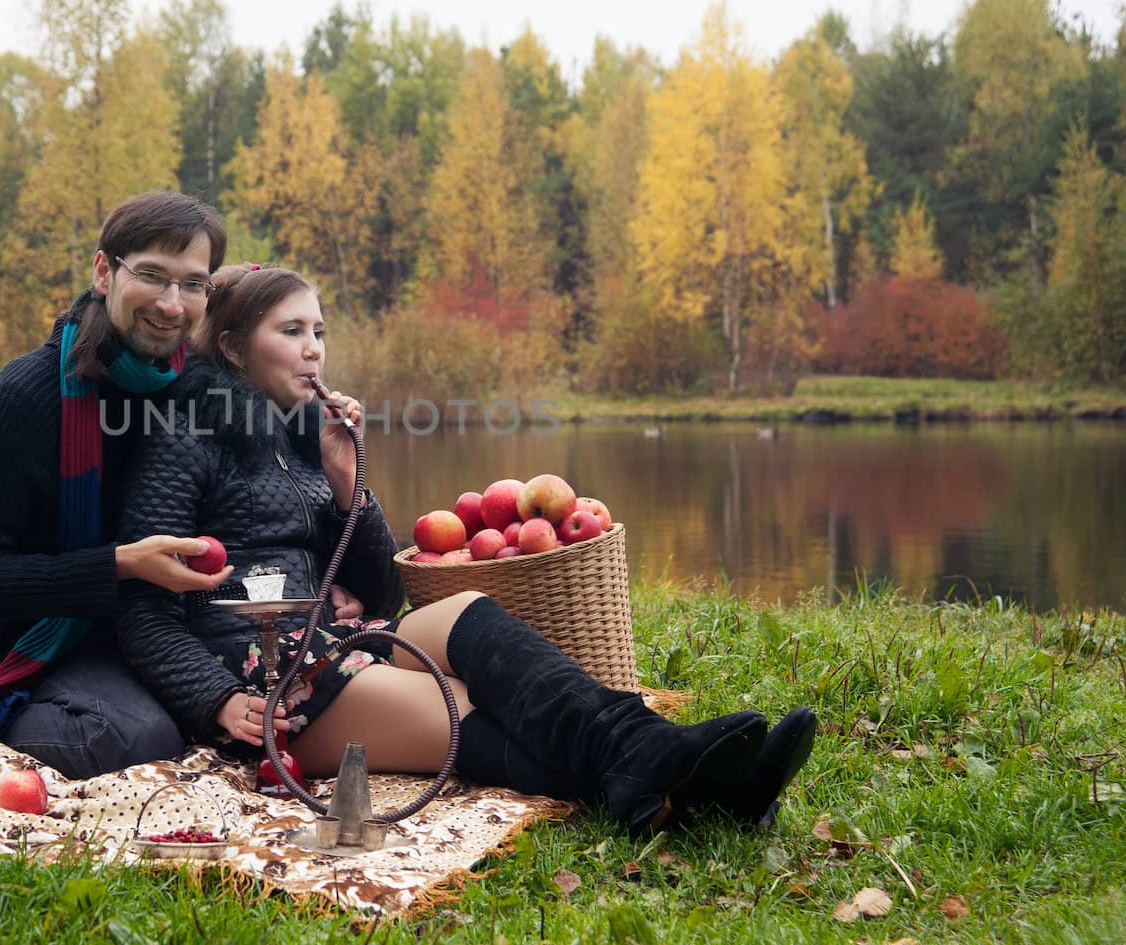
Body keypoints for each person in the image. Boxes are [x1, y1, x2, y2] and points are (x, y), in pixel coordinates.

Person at [114, 264, 817, 832]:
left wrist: (345, 479)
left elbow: (379, 591)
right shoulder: (182, 439)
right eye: (291, 329)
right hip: (261, 678)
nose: (314, 349)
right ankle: (699, 791)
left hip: (329, 637)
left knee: (468, 611)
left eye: (319, 330)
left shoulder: (302, 441)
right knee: (458, 706)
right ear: (234, 347)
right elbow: (141, 610)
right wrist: (217, 700)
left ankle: (660, 760)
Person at [0, 191, 239, 778]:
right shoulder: (29, 394)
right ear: (104, 271)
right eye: (153, 276)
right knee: (130, 739)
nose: (171, 304)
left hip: (169, 627)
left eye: (193, 284)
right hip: (50, 632)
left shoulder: (207, 389)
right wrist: (120, 565)